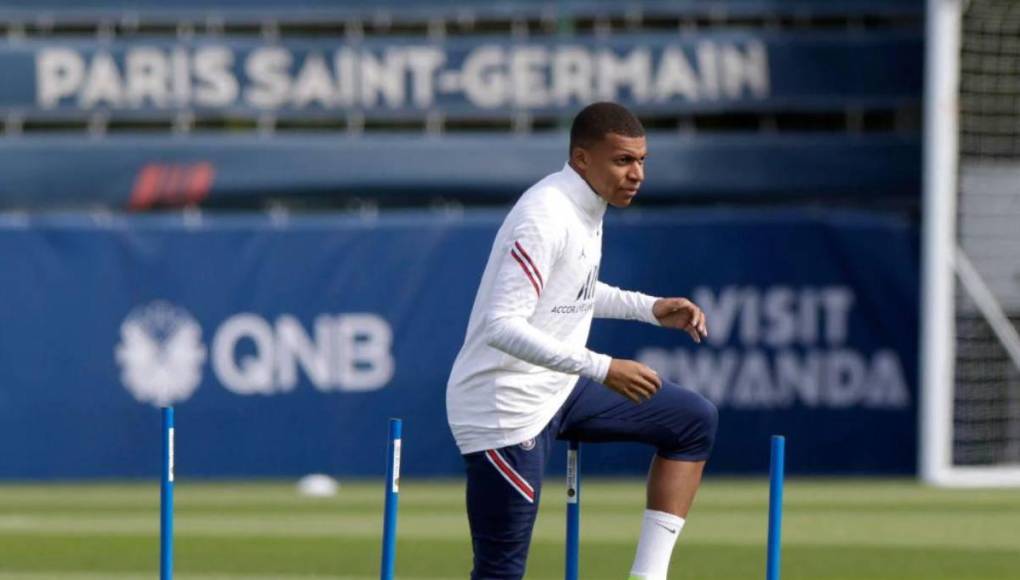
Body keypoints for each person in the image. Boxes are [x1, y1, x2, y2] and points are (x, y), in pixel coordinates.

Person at [446, 102, 718, 580]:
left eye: (641, 161)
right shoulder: (544, 215)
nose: (636, 174)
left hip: (559, 387)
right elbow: (501, 326)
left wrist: (649, 309)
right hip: (504, 407)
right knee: (500, 573)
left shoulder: (589, 204)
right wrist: (603, 367)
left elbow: (573, 289)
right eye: (622, 161)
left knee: (692, 420)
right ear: (581, 159)